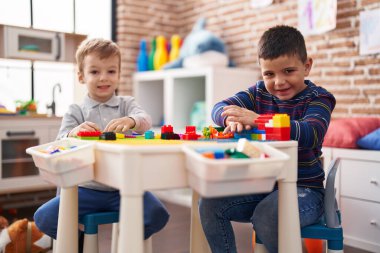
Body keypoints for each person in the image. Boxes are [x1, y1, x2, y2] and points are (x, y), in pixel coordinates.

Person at [199, 25, 336, 253]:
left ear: (307, 66)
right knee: (209, 204)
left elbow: (311, 133)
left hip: (306, 191)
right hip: (264, 187)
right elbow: (219, 107)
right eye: (269, 74)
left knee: (268, 214)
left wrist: (258, 120)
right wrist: (230, 119)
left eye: (288, 71)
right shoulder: (258, 92)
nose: (279, 82)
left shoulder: (319, 98)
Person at [34, 38, 170, 249]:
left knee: (158, 214)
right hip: (85, 189)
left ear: (118, 74)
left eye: (111, 71)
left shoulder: (127, 104)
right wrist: (74, 132)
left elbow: (145, 120)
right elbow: (60, 143)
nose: (103, 78)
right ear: (81, 76)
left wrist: (131, 120)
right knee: (44, 217)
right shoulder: (75, 111)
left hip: (123, 188)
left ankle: (127, 241)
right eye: (95, 72)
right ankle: (78, 243)